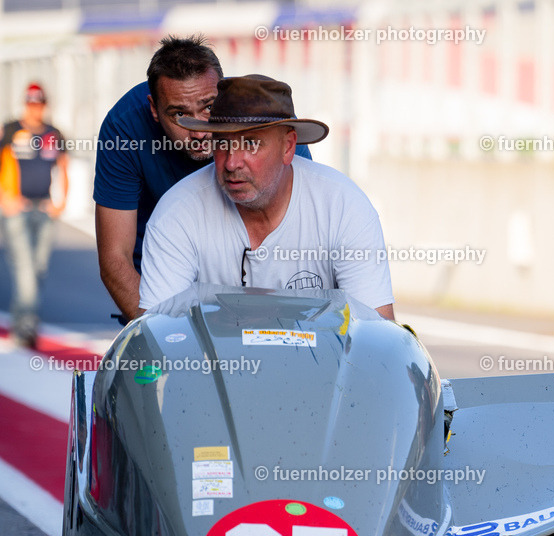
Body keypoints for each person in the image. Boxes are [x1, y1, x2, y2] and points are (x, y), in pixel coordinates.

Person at [138, 75, 395, 321]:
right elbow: (157, 337)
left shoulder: (344, 206)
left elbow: (376, 336)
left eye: (251, 143)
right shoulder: (176, 213)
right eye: (223, 144)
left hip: (321, 365)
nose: (231, 163)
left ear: (288, 147)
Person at [94, 35, 311, 322]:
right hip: (158, 285)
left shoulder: (266, 121)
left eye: (208, 108)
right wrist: (159, 333)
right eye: (180, 114)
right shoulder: (124, 129)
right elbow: (115, 258)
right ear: (154, 110)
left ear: (221, 96)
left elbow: (300, 245)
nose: (198, 131)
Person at [1, 83, 69, 347]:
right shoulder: (10, 130)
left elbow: (64, 167)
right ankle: (27, 327)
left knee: (37, 269)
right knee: (25, 269)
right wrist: (5, 198)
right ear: (24, 104)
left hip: (44, 208)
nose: (34, 109)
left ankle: (20, 319)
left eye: (38, 104)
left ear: (44, 105)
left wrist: (61, 202)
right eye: (30, 103)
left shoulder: (54, 134)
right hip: (17, 209)